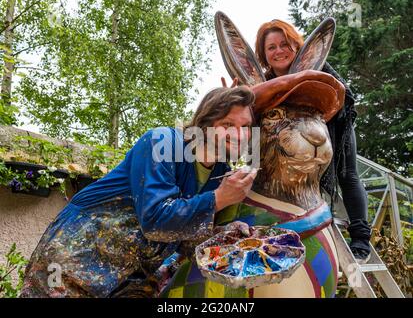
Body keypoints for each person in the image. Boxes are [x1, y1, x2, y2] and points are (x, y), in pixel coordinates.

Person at [20, 86, 257, 298]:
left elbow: (185, 237)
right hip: (73, 263)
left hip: (130, 279)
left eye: (245, 127)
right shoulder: (162, 142)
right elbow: (155, 219)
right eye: (227, 125)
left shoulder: (220, 173)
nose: (239, 135)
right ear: (205, 125)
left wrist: (226, 234)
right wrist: (218, 200)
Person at [254, 19, 371, 262]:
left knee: (347, 174)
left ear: (296, 46)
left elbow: (344, 93)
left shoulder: (315, 66)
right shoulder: (264, 83)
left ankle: (360, 237)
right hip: (289, 143)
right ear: (264, 55)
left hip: (333, 126)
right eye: (271, 47)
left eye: (284, 44)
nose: (279, 51)